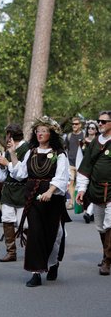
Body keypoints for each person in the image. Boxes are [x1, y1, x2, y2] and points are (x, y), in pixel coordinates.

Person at [10, 116, 70, 287]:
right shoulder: (32, 151)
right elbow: (20, 173)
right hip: (32, 197)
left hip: (52, 200)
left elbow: (62, 177)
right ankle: (35, 272)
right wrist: (13, 154)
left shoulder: (59, 155)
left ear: (51, 134)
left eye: (44, 131)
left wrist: (50, 191)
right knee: (35, 233)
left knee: (52, 234)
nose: (40, 134)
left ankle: (53, 263)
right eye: (38, 131)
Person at [76, 111, 111, 275]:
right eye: (99, 121)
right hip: (96, 190)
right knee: (100, 226)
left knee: (110, 224)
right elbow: (85, 168)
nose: (100, 124)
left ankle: (107, 261)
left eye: (104, 121)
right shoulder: (95, 143)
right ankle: (106, 253)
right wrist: (81, 189)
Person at [0, 123, 29, 262]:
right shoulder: (8, 150)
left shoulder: (27, 149)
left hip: (22, 190)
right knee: (7, 220)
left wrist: (7, 163)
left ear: (11, 135)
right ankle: (11, 252)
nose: (6, 138)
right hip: (8, 191)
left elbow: (21, 175)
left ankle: (29, 251)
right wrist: (2, 166)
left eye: (7, 135)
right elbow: (1, 177)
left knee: (24, 224)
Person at [77, 120, 99, 223]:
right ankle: (88, 212)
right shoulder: (82, 142)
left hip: (96, 170)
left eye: (93, 128)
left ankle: (90, 212)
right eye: (89, 128)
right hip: (85, 170)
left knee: (94, 190)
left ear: (96, 130)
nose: (90, 130)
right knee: (85, 191)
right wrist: (79, 170)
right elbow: (79, 157)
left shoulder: (99, 141)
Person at [65, 116, 85, 209]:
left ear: (80, 125)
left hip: (81, 164)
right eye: (73, 124)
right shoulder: (69, 136)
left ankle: (81, 203)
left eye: (76, 124)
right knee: (71, 183)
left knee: (81, 183)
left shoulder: (83, 135)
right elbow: (66, 148)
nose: (74, 125)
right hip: (70, 164)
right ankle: (71, 202)